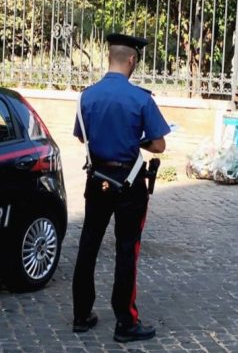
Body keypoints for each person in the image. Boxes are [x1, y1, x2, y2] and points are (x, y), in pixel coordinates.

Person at [71, 33, 171, 343]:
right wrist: (134, 141)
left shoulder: (86, 96)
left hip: (97, 178)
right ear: (132, 60)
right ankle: (125, 322)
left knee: (88, 243)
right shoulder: (141, 98)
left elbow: (80, 136)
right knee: (127, 250)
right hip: (129, 183)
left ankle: (81, 315)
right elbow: (159, 144)